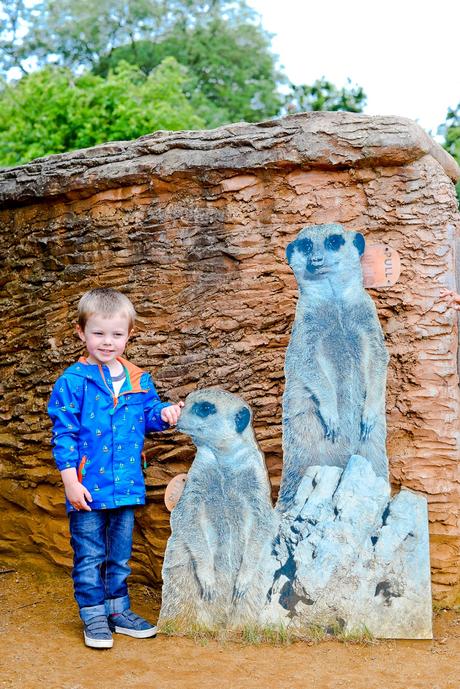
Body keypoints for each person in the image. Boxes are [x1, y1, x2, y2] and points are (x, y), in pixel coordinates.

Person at [48, 288, 183, 649]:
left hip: (126, 485)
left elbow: (149, 416)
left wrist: (165, 415)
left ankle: (117, 610)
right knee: (90, 554)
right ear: (81, 333)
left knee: (120, 555)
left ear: (129, 335)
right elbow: (64, 436)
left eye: (116, 334)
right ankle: (93, 615)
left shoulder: (139, 379)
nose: (107, 342)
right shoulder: (72, 382)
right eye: (98, 333)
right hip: (87, 488)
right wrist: (70, 484)